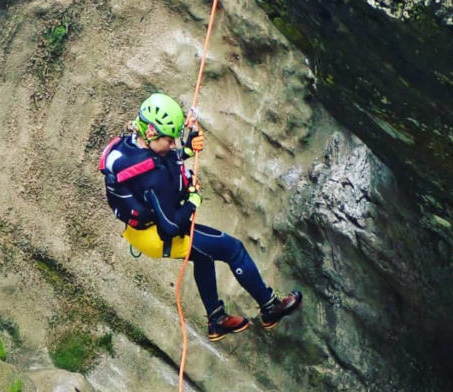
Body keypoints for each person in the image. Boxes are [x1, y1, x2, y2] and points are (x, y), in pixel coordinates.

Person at [100, 93, 302, 341]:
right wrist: (193, 201)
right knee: (232, 249)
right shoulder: (152, 176)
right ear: (151, 133)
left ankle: (217, 320)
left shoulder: (128, 144)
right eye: (170, 140)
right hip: (158, 235)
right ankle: (270, 308)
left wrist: (185, 150)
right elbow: (172, 225)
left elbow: (158, 160)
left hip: (139, 232)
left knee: (204, 257)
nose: (173, 145)